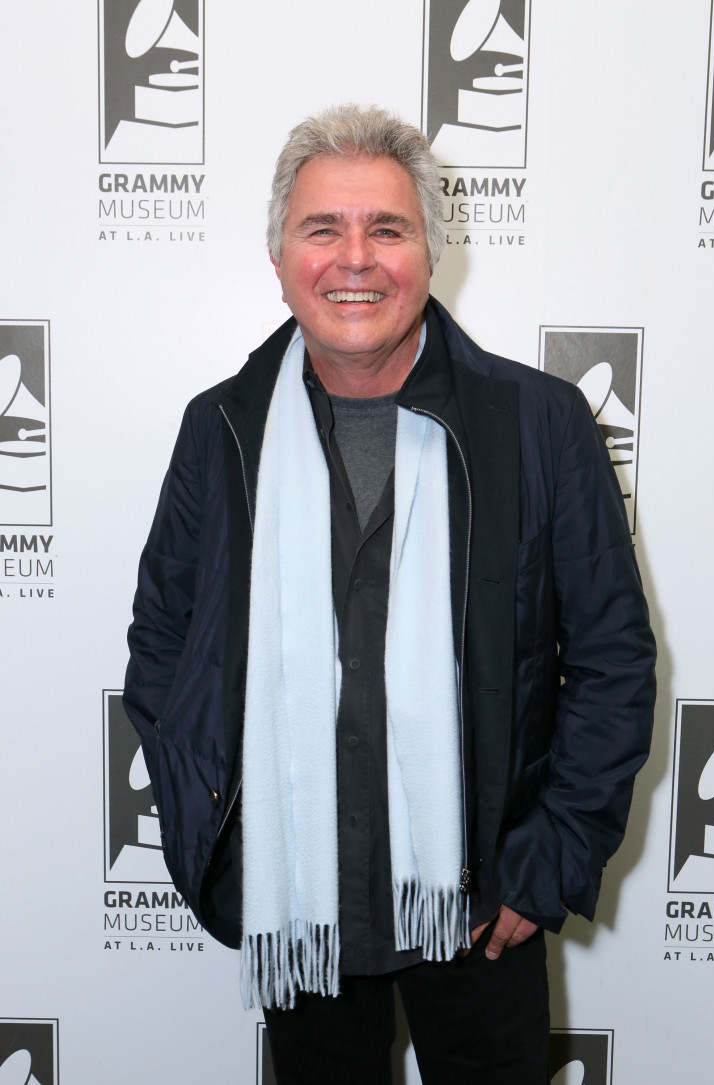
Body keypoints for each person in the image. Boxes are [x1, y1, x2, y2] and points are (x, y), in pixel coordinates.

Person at [123, 104, 656, 1084]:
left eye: (387, 228)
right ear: (281, 257)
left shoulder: (538, 425)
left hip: (483, 905)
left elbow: (612, 660)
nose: (354, 258)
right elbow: (163, 641)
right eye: (322, 228)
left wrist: (545, 861)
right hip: (299, 905)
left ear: (429, 253)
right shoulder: (222, 429)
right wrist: (221, 833)